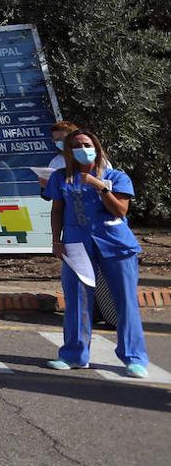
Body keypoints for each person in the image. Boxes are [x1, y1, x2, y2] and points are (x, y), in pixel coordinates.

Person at [44, 129, 148, 378]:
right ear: (68, 152)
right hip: (77, 244)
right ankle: (74, 355)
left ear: (96, 148)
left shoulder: (116, 176)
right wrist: (56, 240)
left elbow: (120, 211)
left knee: (125, 302)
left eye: (86, 144)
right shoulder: (61, 177)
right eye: (76, 146)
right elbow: (57, 210)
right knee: (77, 301)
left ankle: (134, 358)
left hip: (115, 245)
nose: (82, 149)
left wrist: (101, 187)